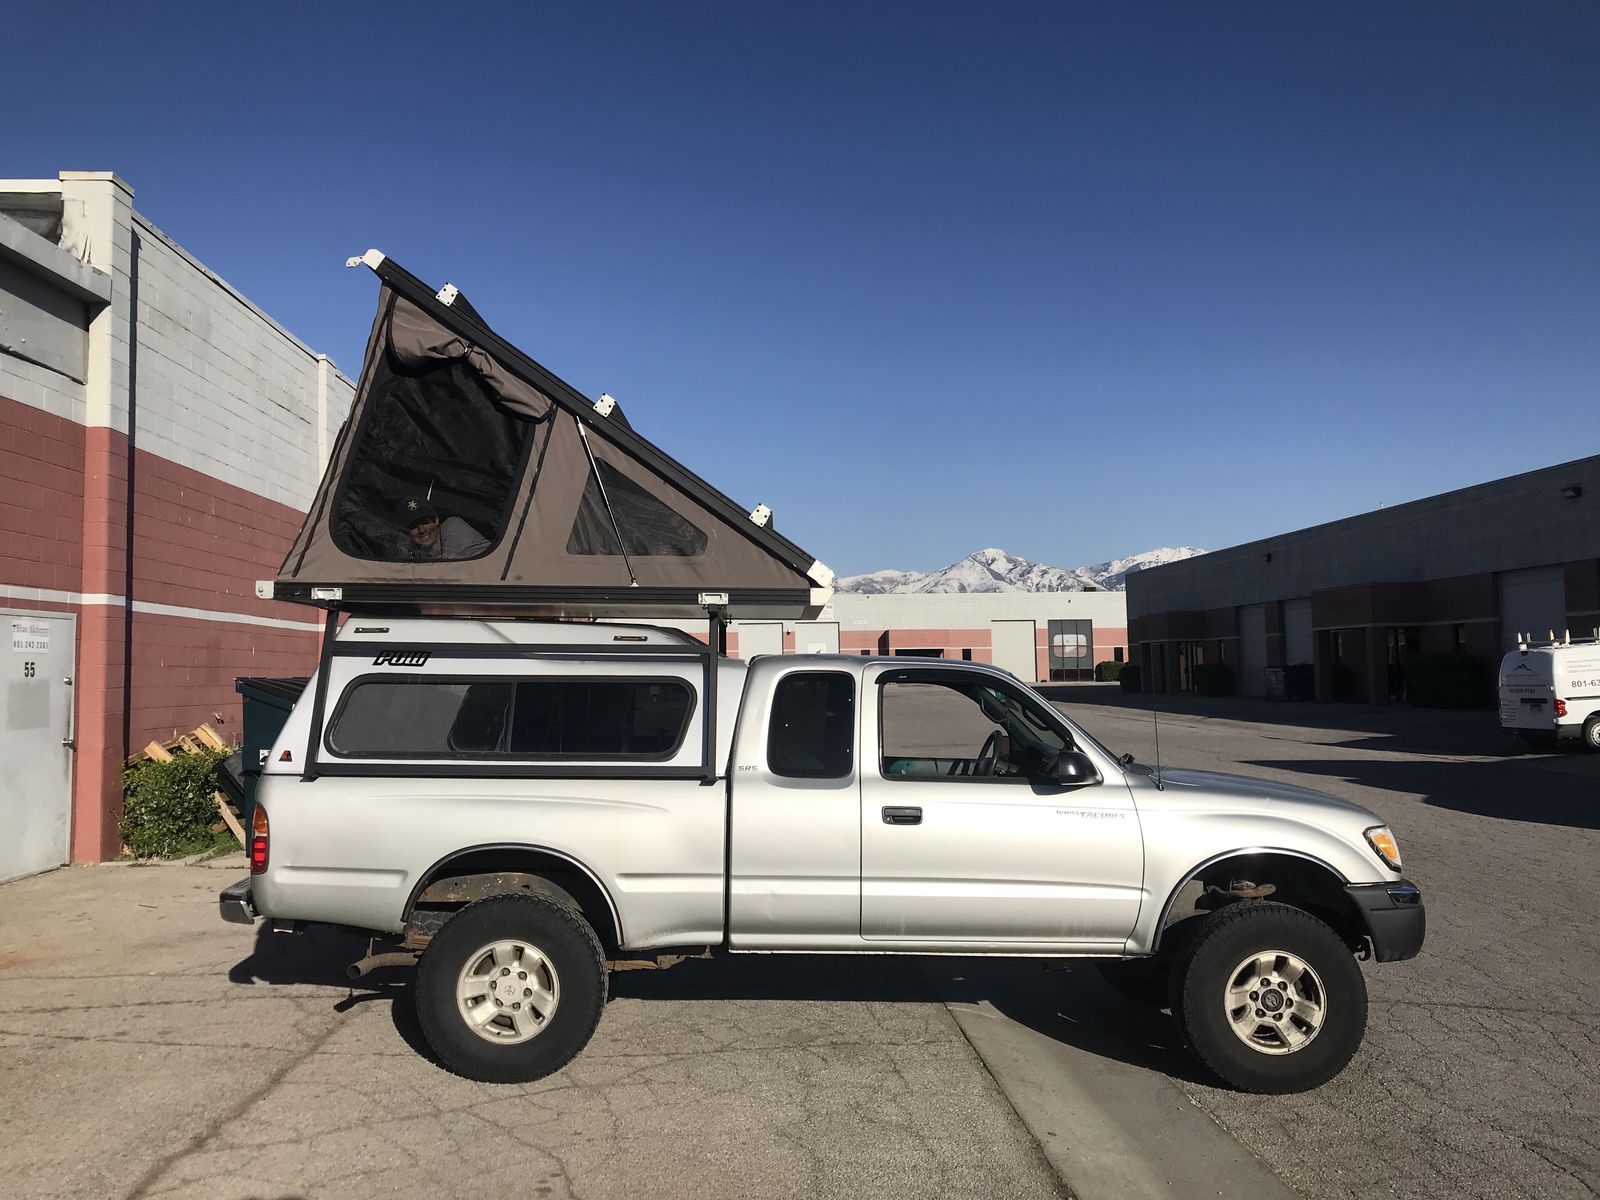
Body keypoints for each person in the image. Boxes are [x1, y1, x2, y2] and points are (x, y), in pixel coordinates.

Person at [395, 497, 490, 560]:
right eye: (413, 525)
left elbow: (447, 568)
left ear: (436, 520)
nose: (422, 529)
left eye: (425, 522)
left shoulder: (452, 526)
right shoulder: (413, 547)